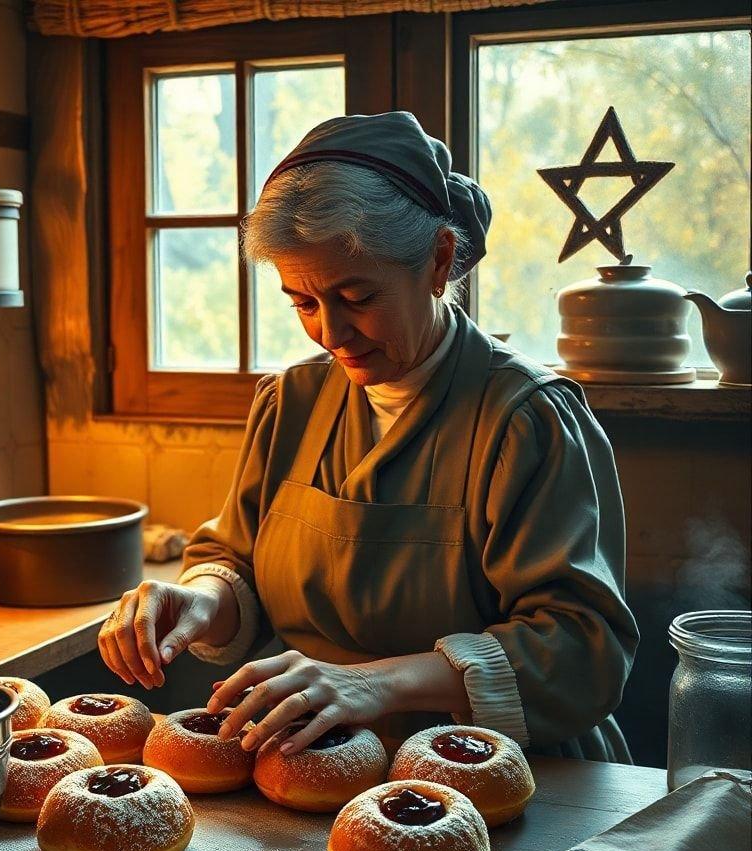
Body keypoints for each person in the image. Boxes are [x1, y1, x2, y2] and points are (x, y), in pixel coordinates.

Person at [98, 111, 639, 762]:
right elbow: (238, 560)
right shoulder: (290, 401)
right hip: (326, 762)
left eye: (357, 296)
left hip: (508, 770)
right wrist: (198, 600)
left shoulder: (525, 418)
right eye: (302, 302)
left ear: (439, 261)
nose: (330, 333)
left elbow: (581, 651)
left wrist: (371, 684)